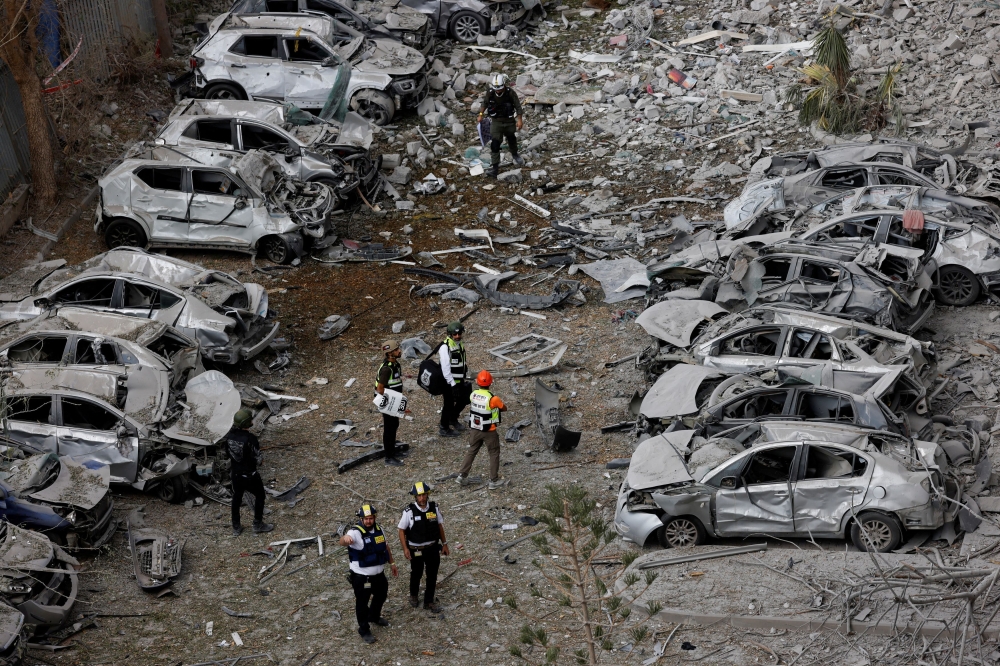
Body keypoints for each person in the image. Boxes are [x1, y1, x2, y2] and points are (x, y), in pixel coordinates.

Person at [339, 504, 399, 644]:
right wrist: (345, 539)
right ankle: (364, 629)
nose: (368, 521)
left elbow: (386, 547)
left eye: (370, 518)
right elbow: (342, 541)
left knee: (381, 595)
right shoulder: (355, 532)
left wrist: (392, 563)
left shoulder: (379, 530)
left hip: (379, 574)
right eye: (365, 519)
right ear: (361, 519)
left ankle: (374, 616)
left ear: (374, 517)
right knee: (362, 603)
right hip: (362, 577)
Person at [397, 481, 450, 612]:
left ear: (427, 495)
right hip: (416, 550)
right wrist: (405, 548)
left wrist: (444, 544)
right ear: (415, 496)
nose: (422, 498)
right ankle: (413, 595)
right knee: (416, 573)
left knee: (432, 575)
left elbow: (439, 526)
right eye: (419, 496)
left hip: (432, 548)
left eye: (424, 495)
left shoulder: (434, 508)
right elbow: (401, 530)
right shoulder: (409, 511)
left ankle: (429, 601)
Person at [225, 409, 274, 537]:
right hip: (250, 475)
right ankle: (257, 524)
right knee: (260, 496)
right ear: (247, 423)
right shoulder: (250, 438)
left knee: (236, 498)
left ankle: (236, 527)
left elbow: (228, 454)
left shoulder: (229, 437)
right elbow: (258, 459)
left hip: (235, 474)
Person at [456, 371, 508, 490]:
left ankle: (461, 476)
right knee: (494, 453)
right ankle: (493, 481)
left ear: (477, 382)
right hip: (489, 431)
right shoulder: (493, 398)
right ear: (491, 382)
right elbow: (503, 408)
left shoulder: (473, 394)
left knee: (472, 451)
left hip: (475, 428)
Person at [477, 73, 524, 178]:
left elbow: (518, 106)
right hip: (496, 122)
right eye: (496, 89)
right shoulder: (490, 93)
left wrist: (519, 120)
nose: (498, 91)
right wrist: (480, 114)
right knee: (495, 144)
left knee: (511, 138)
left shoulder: (510, 93)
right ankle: (495, 168)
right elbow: (484, 103)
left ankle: (515, 154)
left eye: (500, 89)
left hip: (509, 121)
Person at [376, 340, 405, 467]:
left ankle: (392, 450)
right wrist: (390, 403)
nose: (399, 351)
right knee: (389, 428)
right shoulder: (387, 369)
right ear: (389, 353)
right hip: (388, 402)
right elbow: (380, 388)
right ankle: (389, 456)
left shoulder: (396, 365)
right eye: (396, 350)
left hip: (395, 400)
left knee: (394, 425)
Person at [438, 322, 469, 439]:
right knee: (448, 404)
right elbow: (445, 367)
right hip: (449, 382)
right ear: (450, 334)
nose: (457, 336)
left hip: (459, 379)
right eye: (454, 334)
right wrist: (452, 384)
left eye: (459, 333)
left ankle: (453, 418)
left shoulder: (459, 344)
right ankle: (443, 428)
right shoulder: (445, 347)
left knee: (465, 398)